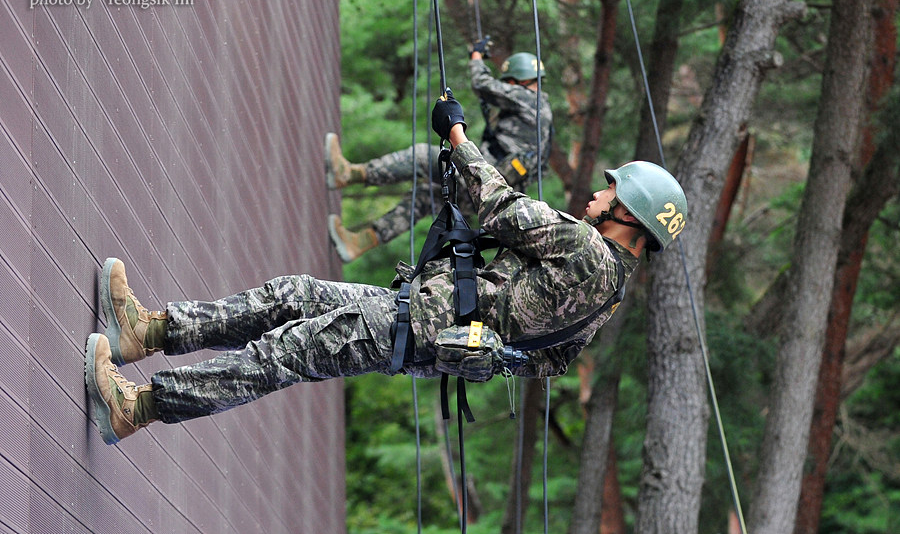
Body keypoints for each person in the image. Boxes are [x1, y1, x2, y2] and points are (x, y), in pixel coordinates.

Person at [85, 94, 687, 445]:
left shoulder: (586, 250)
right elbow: (545, 359)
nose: (598, 195)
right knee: (290, 296)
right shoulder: (609, 298)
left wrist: (455, 132)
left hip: (414, 324)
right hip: (416, 325)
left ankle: (140, 406)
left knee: (284, 353)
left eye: (612, 193)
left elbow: (501, 206)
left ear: (629, 213)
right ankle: (152, 332)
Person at [326, 41, 553, 262]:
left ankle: (348, 174)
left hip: (478, 180)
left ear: (518, 80)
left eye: (510, 83)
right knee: (424, 198)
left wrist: (476, 58)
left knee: (422, 157)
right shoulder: (544, 120)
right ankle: (359, 243)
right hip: (487, 195)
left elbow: (483, 84)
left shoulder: (529, 99)